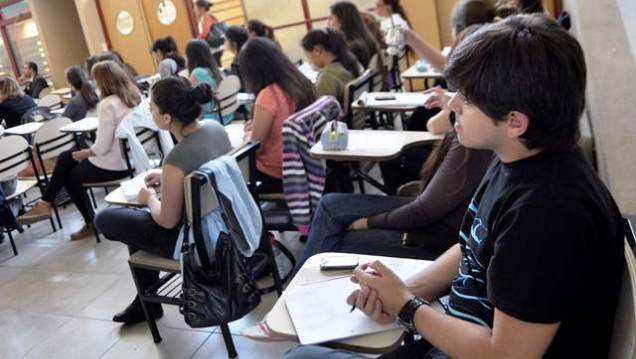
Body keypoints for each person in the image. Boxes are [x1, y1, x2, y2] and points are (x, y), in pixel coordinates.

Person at [284, 14, 624, 359]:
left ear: (515, 122)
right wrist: (404, 290)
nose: (452, 104)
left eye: (468, 99)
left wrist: (407, 306)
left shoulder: (547, 211)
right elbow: (470, 245)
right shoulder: (513, 158)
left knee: (298, 357)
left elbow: (507, 354)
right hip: (457, 329)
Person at [95, 77, 231, 325]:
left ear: (166, 118)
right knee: (134, 226)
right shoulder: (215, 128)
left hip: (191, 241)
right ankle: (144, 301)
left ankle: (146, 302)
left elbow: (167, 221)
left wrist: (148, 199)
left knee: (105, 218)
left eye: (152, 110)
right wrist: (170, 179)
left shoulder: (176, 158)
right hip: (224, 224)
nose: (149, 113)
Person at [17, 61, 141, 240]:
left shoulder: (108, 104)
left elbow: (102, 146)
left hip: (115, 164)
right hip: (133, 157)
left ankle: (87, 221)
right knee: (66, 158)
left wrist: (86, 153)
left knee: (70, 176)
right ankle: (46, 202)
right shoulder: (134, 94)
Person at [239, 38, 316, 193]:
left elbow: (256, 148)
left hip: (278, 173)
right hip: (307, 164)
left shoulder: (268, 95)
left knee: (228, 172)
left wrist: (248, 135)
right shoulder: (300, 82)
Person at [301, 28, 360, 113]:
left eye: (308, 56)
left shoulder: (327, 77)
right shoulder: (349, 62)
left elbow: (321, 113)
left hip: (342, 124)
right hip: (358, 116)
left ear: (317, 50)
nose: (309, 61)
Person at [186, 39, 232, 125]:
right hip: (227, 116)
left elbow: (191, 101)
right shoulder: (218, 71)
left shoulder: (196, 73)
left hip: (211, 119)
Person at [328, 2, 379, 69]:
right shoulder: (368, 39)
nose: (328, 23)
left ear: (341, 21)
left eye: (331, 18)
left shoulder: (352, 48)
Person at [194, 0, 224, 65]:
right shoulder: (210, 16)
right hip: (217, 48)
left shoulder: (206, 18)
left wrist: (196, 40)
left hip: (213, 49)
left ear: (201, 8)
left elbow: (205, 32)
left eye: (195, 8)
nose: (194, 11)